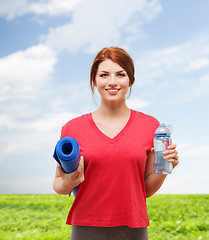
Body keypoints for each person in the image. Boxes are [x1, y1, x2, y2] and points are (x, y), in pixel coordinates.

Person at [53, 47, 179, 240]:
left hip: (133, 229)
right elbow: (59, 185)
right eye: (104, 75)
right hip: (86, 228)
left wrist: (164, 167)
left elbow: (144, 191)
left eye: (120, 74)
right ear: (94, 80)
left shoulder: (150, 127)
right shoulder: (72, 129)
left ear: (130, 80)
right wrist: (69, 182)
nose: (112, 82)